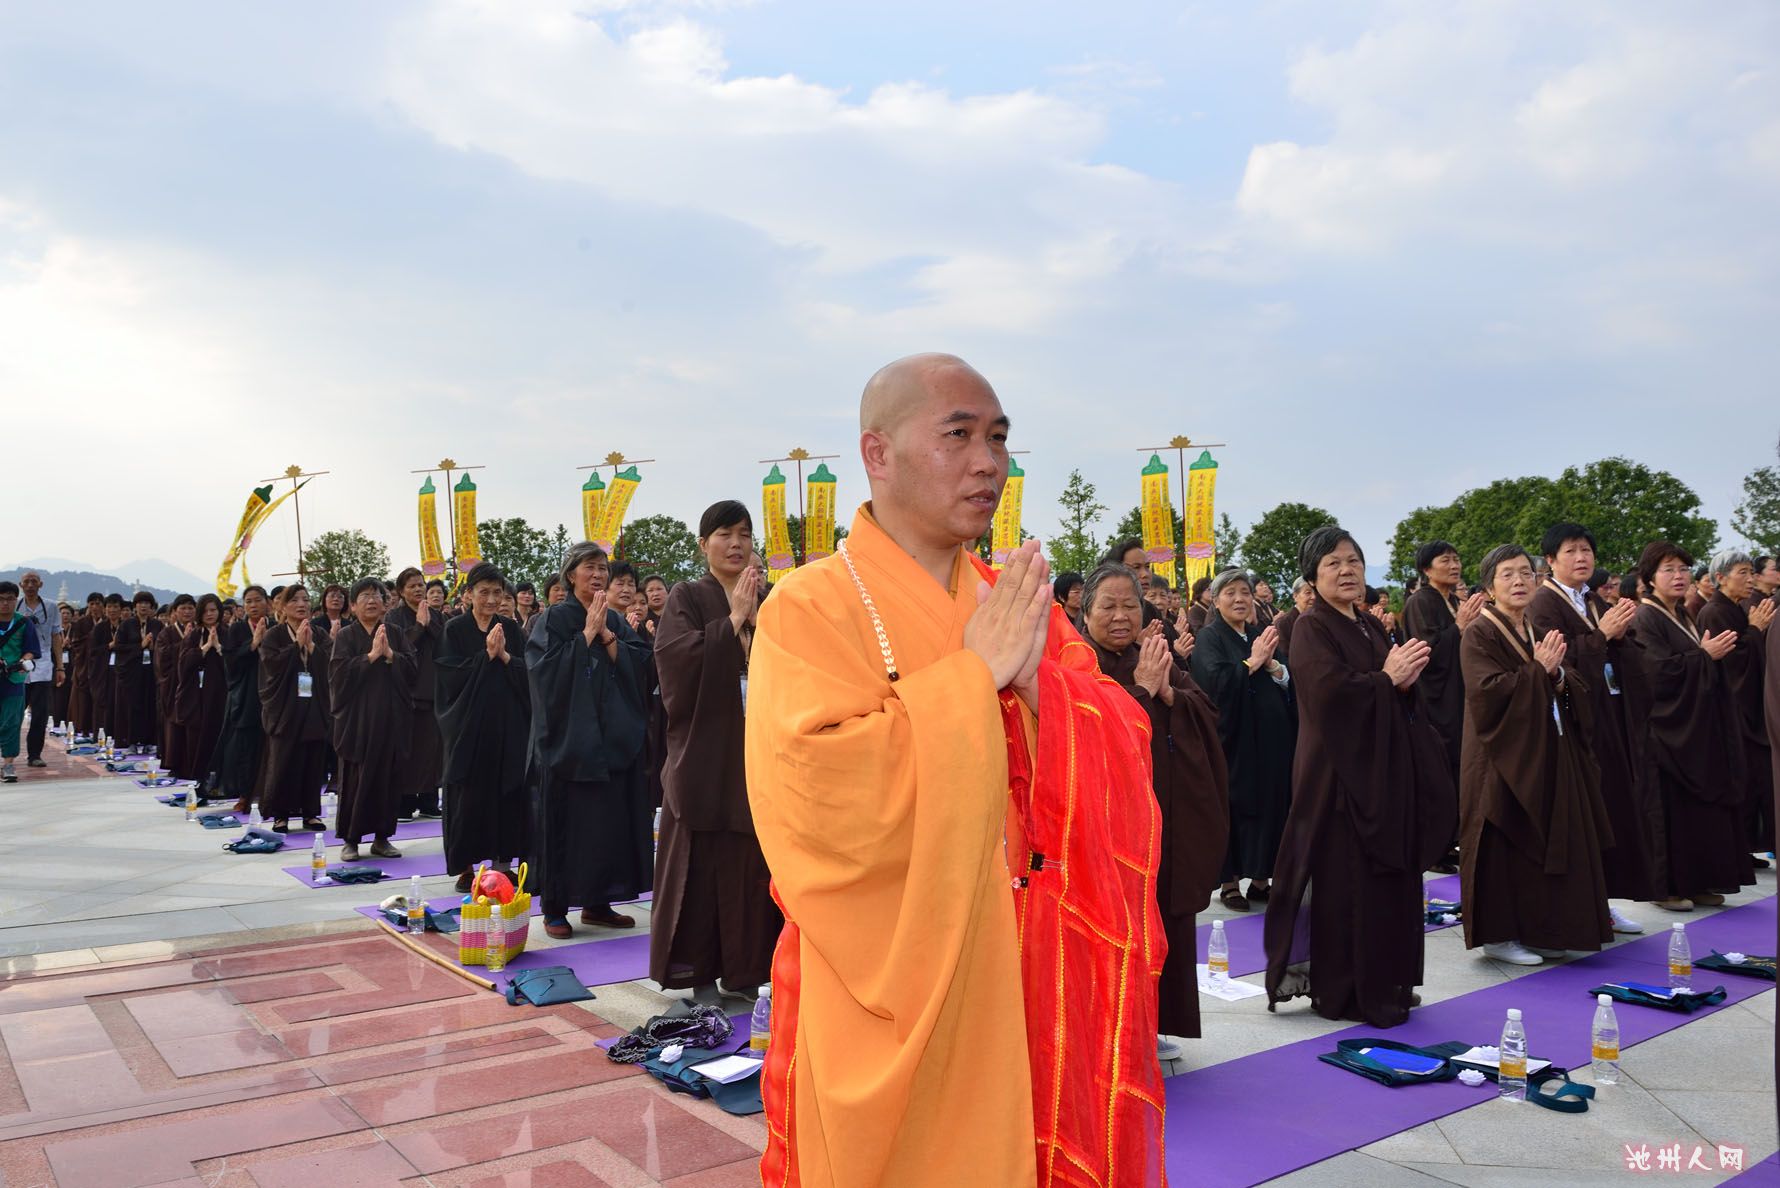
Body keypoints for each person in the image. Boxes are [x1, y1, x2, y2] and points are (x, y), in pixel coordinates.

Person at [746, 354, 1164, 1187]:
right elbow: (819, 797)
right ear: (878, 453)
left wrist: (1037, 686)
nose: (989, 462)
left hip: (1029, 970)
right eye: (959, 435)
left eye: (1000, 438)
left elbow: (1120, 744)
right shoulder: (809, 605)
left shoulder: (1007, 598)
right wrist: (975, 679)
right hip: (884, 980)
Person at [1264, 526, 1455, 1029]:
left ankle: (1387, 977)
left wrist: (1404, 684)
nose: (1347, 571)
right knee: (1346, 885)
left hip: (1381, 772)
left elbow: (1391, 688)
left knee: (1387, 883)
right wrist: (1386, 681)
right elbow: (1327, 695)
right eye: (1333, 563)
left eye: (1353, 561)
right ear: (1312, 576)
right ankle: (1343, 988)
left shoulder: (1371, 626)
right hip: (1338, 777)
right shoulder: (1310, 628)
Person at [1080, 561, 1228, 1058]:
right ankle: (1110, 1026)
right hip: (1104, 820)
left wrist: (1168, 691)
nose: (1121, 616)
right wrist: (1142, 690)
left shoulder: (1156, 655)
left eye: (1130, 606)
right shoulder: (1075, 662)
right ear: (1086, 612)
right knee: (1113, 918)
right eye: (1109, 606)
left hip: (1163, 813)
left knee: (1163, 913)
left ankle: (1156, 1020)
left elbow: (1206, 712)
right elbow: (1089, 729)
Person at [651, 500, 782, 1005]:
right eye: (724, 534)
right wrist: (731, 622)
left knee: (752, 867)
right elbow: (673, 663)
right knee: (701, 868)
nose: (736, 543)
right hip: (705, 755)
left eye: (745, 534)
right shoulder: (687, 596)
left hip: (758, 748)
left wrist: (755, 619)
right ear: (703, 543)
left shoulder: (770, 596)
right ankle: (698, 974)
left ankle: (746, 973)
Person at [1458, 544, 1614, 966]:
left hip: (1543, 751)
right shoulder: (1480, 632)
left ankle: (1541, 928)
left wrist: (1558, 674)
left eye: (1526, 573)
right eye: (1507, 574)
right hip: (1498, 755)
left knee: (1540, 843)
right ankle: (1499, 936)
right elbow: (1486, 693)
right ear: (1490, 586)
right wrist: (1538, 673)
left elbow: (1569, 679)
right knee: (1503, 839)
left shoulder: (1534, 630)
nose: (1519, 581)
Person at [1529, 523, 1655, 932]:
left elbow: (1620, 651)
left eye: (1587, 550)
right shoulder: (1543, 604)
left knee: (1610, 810)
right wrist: (1602, 634)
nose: (1582, 557)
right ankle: (1585, 905)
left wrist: (1617, 634)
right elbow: (1558, 662)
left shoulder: (1592, 600)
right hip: (1571, 720)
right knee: (1583, 814)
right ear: (1550, 560)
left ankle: (1602, 900)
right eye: (1571, 551)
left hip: (1607, 716)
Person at [527, 542, 653, 938]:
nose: (597, 575)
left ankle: (599, 903)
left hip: (611, 741)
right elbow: (543, 673)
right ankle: (555, 907)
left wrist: (609, 640)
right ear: (570, 575)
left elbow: (644, 669)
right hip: (570, 742)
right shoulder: (553, 618)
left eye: (602, 569)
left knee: (607, 823)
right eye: (589, 568)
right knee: (566, 823)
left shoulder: (615, 620)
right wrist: (584, 636)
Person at [1622, 542, 1750, 910]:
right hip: (1665, 734)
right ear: (1649, 578)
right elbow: (1655, 674)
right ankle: (1668, 888)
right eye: (1669, 570)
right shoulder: (1645, 618)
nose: (1679, 577)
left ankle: (1698, 881)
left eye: (1683, 569)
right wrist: (1702, 657)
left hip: (1694, 732)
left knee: (1698, 813)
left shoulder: (1681, 615)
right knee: (1670, 814)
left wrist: (1704, 657)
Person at [1190, 568, 1295, 913]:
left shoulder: (1257, 633)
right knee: (1235, 805)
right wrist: (1251, 662)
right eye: (1230, 593)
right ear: (1216, 600)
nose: (1239, 599)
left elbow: (1282, 674)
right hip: (1234, 740)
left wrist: (1274, 668)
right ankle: (1230, 882)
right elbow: (1214, 682)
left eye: (1244, 593)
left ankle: (1263, 878)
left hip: (1269, 741)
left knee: (1271, 801)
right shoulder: (1210, 637)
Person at [435, 563, 531, 890]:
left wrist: (503, 656)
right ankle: (465, 866)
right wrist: (484, 657)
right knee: (468, 797)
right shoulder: (455, 629)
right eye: (484, 592)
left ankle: (502, 865)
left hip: (506, 726)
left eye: (497, 593)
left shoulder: (511, 629)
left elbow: (526, 673)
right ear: (468, 595)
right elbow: (449, 676)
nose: (491, 599)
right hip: (468, 729)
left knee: (506, 793)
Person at [1403, 540, 1485, 872]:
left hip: (1460, 696)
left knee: (1458, 772)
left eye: (1456, 558)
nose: (1454, 565)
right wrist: (1460, 627)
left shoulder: (1453, 600)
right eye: (1445, 560)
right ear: (1426, 569)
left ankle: (1451, 839)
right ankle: (1433, 848)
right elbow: (1428, 653)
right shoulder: (1421, 601)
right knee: (1437, 773)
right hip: (1435, 701)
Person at [329, 578, 416, 861]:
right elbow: (338, 676)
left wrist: (391, 656)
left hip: (391, 719)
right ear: (352, 606)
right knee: (355, 780)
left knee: (387, 779)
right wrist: (370, 657)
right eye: (364, 596)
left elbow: (413, 669)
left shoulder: (395, 632)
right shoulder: (346, 636)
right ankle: (350, 840)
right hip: (358, 723)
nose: (371, 600)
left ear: (386, 602)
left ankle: (382, 838)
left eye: (377, 595)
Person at [1697, 550, 1776, 860]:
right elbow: (1733, 663)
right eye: (1742, 572)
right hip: (1734, 711)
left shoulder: (1735, 608)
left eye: (1750, 572)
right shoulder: (1715, 612)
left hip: (1748, 710)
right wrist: (1755, 630)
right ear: (1720, 578)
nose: (1749, 579)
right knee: (1745, 781)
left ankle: (1747, 847)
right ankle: (1740, 849)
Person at [258, 585, 331, 832]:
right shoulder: (274, 635)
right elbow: (270, 666)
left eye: (305, 599)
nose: (301, 604)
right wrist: (295, 647)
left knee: (312, 760)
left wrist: (311, 648)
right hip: (285, 707)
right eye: (295, 600)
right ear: (282, 606)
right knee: (284, 761)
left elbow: (333, 664)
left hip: (313, 706)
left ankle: (311, 813)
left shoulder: (319, 634)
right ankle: (281, 814)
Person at [386, 568, 444, 821]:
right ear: (401, 591)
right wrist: (419, 626)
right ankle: (405, 803)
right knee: (408, 749)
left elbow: (445, 644)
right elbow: (397, 649)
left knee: (432, 749)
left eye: (421, 585)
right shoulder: (393, 617)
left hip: (432, 689)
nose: (418, 590)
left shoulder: (436, 615)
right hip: (406, 691)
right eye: (412, 586)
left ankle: (430, 801)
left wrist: (429, 623)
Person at [211, 585, 269, 809]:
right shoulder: (237, 630)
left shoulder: (275, 627)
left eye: (257, 600)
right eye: (248, 602)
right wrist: (253, 643)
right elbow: (230, 662)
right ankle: (245, 794)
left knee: (270, 748)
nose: (253, 605)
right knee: (247, 748)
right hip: (247, 695)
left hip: (272, 694)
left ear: (268, 602)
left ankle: (268, 793)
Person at [175, 595, 228, 784]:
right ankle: (199, 777)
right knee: (198, 737)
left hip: (221, 695)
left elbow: (235, 663)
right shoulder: (194, 635)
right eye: (205, 611)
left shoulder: (227, 632)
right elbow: (183, 665)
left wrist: (220, 648)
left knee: (220, 734)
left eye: (213, 610)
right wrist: (204, 648)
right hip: (197, 696)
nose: (210, 614)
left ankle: (220, 778)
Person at [15, 573, 62, 767]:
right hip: (17, 666)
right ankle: (8, 751)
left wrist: (60, 666)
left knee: (40, 714)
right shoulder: (14, 606)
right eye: (27, 582)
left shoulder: (51, 606)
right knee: (14, 713)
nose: (30, 585)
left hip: (42, 665)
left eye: (34, 582)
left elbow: (56, 636)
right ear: (21, 585)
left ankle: (34, 754)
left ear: (41, 584)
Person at [0, 581, 42, 783]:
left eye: (9, 599)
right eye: (0, 599)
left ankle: (8, 764)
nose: (5, 603)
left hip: (13, 679)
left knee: (11, 721)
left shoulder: (24, 623)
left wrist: (24, 660)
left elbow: (31, 649)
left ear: (16, 600)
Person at [112, 591, 160, 751]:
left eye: (147, 603)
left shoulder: (157, 625)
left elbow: (162, 646)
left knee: (150, 704)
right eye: (140, 603)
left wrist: (153, 648)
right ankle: (131, 740)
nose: (143, 606)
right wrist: (140, 646)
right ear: (135, 606)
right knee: (133, 705)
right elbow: (119, 647)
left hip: (151, 671)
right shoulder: (127, 625)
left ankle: (148, 741)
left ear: (151, 607)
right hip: (132, 672)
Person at [155, 596, 194, 769]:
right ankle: (174, 762)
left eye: (190, 608)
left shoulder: (199, 630)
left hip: (194, 684)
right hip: (173, 684)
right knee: (174, 723)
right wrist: (184, 643)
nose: (187, 612)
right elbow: (162, 658)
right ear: (175, 612)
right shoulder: (166, 633)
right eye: (183, 608)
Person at [85, 594, 125, 740]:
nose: (112, 610)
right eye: (109, 607)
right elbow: (92, 651)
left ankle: (119, 735)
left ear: (121, 609)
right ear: (105, 609)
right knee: (103, 704)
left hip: (121, 671)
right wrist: (109, 646)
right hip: (103, 672)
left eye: (116, 607)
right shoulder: (100, 628)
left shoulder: (126, 626)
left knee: (120, 703)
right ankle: (102, 736)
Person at [66, 592, 102, 737]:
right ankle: (84, 728)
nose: (95, 607)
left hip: (101, 666)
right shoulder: (81, 623)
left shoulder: (107, 622)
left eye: (98, 604)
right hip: (84, 667)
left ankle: (99, 728)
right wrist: (93, 634)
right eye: (92, 604)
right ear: (88, 605)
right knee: (84, 699)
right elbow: (76, 644)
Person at [1273, 577, 1313, 662]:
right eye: (1308, 593)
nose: (1314, 597)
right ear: (1295, 596)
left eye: (1316, 592)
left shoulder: (1319, 619)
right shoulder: (1283, 623)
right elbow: (1285, 656)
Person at [51, 602, 74, 726]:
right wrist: (60, 646)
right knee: (57, 696)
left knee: (70, 695)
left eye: (67, 613)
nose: (65, 616)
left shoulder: (75, 629)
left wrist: (70, 646)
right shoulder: (54, 630)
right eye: (62, 613)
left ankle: (69, 722)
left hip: (71, 666)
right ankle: (56, 722)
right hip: (57, 665)